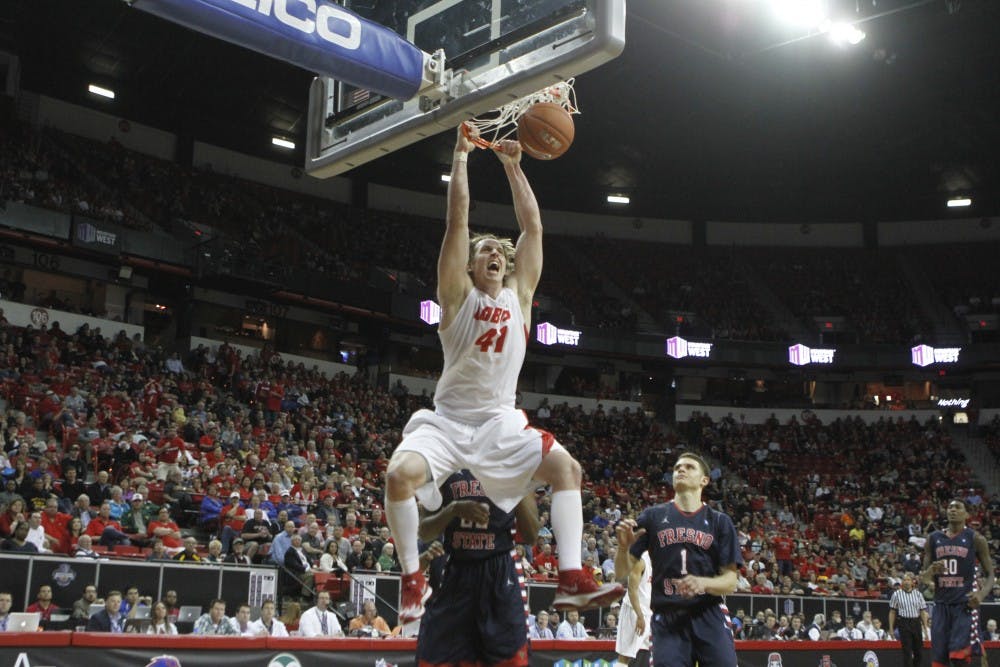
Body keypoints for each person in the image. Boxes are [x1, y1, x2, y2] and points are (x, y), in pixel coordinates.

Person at [384, 124, 622, 625]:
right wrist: (463, 157)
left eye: (499, 253)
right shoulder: (457, 299)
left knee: (567, 471)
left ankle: (572, 578)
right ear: (470, 268)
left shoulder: (520, 299)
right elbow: (457, 222)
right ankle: (410, 579)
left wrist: (515, 166)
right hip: (448, 422)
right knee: (397, 478)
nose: (494, 256)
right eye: (484, 253)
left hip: (499, 423)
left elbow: (533, 230)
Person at [615, 452, 741, 667]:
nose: (681, 470)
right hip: (667, 615)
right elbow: (621, 573)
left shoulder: (720, 521)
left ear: (704, 480)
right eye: (677, 468)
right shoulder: (652, 516)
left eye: (689, 467)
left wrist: (704, 582)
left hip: (708, 613)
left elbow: (730, 581)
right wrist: (623, 548)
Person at [416, 469, 540, 663]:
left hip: (500, 571)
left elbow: (532, 535)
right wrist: (453, 509)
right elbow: (424, 531)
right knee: (435, 656)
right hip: (457, 569)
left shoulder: (513, 465)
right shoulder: (445, 466)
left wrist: (518, 484)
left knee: (512, 657)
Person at [922, 499, 995, 667]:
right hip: (940, 606)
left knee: (958, 657)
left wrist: (982, 594)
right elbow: (924, 578)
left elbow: (991, 574)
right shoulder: (933, 539)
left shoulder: (976, 538)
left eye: (957, 507)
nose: (953, 510)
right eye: (950, 507)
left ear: (967, 514)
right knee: (939, 662)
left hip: (963, 605)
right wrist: (931, 572)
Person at [616, 552, 653, 667]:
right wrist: (640, 616)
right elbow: (632, 590)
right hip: (634, 610)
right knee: (625, 655)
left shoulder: (660, 558)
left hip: (649, 612)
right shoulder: (640, 560)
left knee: (655, 651)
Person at [889, 573, 929, 667]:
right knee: (907, 651)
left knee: (918, 652)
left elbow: (923, 612)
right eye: (904, 580)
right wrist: (891, 628)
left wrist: (925, 627)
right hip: (904, 622)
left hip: (916, 622)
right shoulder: (896, 594)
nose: (906, 582)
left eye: (908, 580)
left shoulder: (918, 594)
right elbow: (892, 612)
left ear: (912, 582)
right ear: (902, 582)